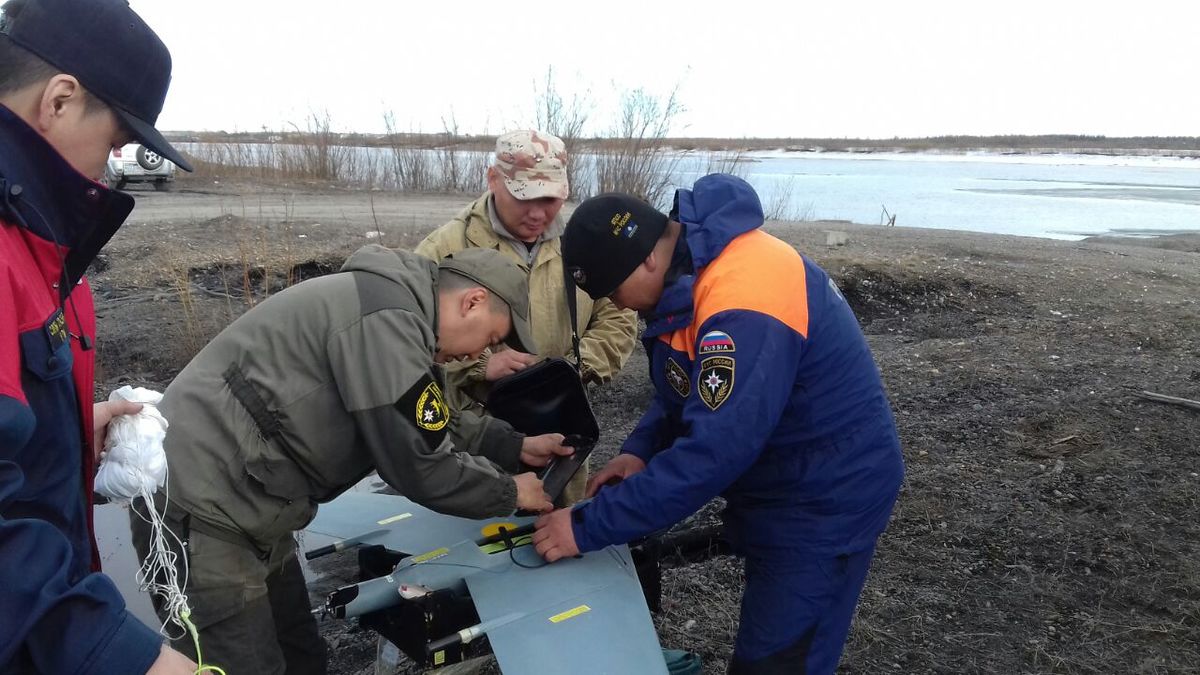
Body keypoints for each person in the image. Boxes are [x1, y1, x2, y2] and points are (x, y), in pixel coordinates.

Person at [131, 245, 570, 675]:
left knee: (300, 651)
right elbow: (422, 466)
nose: (479, 356)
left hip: (254, 501)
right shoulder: (385, 320)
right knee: (241, 662)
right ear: (472, 302)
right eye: (490, 340)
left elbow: (422, 416)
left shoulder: (396, 313)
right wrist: (510, 491)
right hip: (201, 508)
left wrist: (513, 446)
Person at [533, 174, 906, 674]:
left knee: (777, 660)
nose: (617, 305)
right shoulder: (689, 272)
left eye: (612, 290)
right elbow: (684, 389)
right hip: (780, 475)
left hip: (827, 495)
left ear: (645, 258)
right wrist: (640, 451)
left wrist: (584, 527)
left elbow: (714, 452)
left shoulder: (744, 300)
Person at [0, 0, 198, 672]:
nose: (112, 167)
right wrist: (125, 656)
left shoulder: (45, 241)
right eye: (115, 142)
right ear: (59, 99)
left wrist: (70, 436)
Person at [414, 130, 637, 505]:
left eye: (550, 199)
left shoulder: (583, 244)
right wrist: (480, 366)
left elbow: (618, 319)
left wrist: (570, 368)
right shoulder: (443, 250)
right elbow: (410, 357)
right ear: (492, 180)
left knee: (559, 543)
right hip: (474, 449)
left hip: (563, 441)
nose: (538, 213)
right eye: (524, 197)